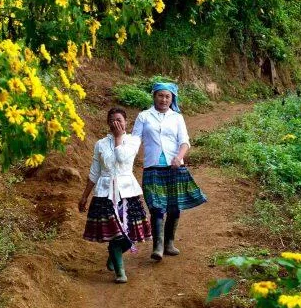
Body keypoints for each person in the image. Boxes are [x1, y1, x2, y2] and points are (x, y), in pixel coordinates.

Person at [131, 82, 207, 261]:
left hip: (175, 167)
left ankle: (169, 243)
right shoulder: (144, 116)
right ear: (154, 96)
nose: (164, 100)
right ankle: (158, 246)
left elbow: (185, 141)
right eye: (160, 95)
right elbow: (135, 140)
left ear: (172, 99)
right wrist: (126, 157)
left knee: (174, 206)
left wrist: (179, 157)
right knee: (156, 206)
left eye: (167, 97)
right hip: (152, 168)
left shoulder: (177, 117)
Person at [79, 107, 151, 284]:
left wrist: (119, 138)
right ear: (107, 123)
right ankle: (120, 272)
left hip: (127, 192)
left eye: (119, 120)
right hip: (104, 194)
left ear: (126, 122)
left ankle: (113, 254)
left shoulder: (133, 141)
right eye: (112, 120)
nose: (115, 123)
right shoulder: (100, 144)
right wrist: (85, 196)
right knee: (115, 234)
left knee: (128, 233)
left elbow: (122, 158)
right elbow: (95, 171)